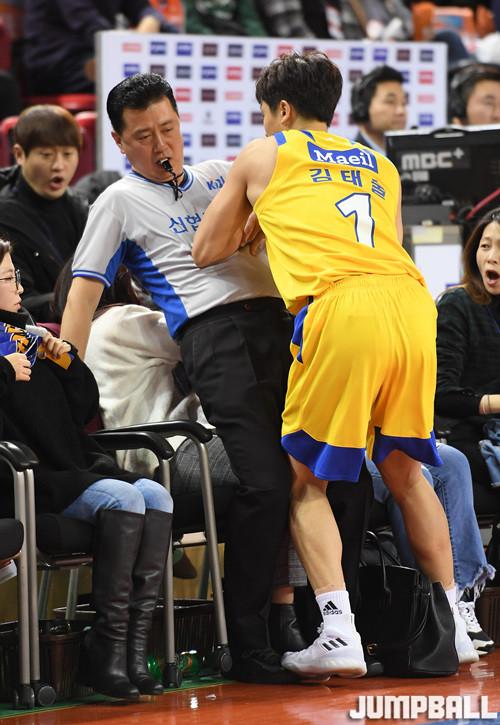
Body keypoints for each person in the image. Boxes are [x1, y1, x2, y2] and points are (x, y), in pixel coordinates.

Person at [60, 71, 374, 683]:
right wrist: (66, 376)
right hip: (216, 338)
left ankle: (339, 629)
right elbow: (83, 291)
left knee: (342, 472)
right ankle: (248, 645)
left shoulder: (218, 174)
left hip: (286, 327)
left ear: (182, 122)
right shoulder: (116, 202)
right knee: (264, 484)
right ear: (119, 143)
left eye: (168, 128)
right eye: (144, 136)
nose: (161, 145)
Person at [192, 50, 479, 677]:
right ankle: (454, 624)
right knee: (406, 472)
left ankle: (338, 632)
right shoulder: (380, 163)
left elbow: (205, 248)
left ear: (282, 109)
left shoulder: (264, 154)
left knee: (304, 481)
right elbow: (384, 239)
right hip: (411, 305)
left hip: (342, 308)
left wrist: (256, 220)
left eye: (265, 113)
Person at [0, 238, 173, 701]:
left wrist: (67, 362)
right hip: (23, 478)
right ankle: (105, 650)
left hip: (70, 466)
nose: (20, 288)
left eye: (17, 277)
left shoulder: (27, 334)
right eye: (9, 279)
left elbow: (80, 411)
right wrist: (4, 372)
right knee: (125, 496)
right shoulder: (5, 352)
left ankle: (130, 651)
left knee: (157, 494)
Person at [367, 443, 496, 655]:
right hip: (341, 445)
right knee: (413, 476)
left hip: (378, 436)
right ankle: (429, 610)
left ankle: (457, 601)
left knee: (453, 461)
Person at [0, 105, 88, 321]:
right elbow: (19, 302)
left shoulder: (79, 207)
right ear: (19, 155)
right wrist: (83, 299)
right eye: (46, 155)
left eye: (68, 154)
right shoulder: (5, 215)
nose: (59, 165)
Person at [436, 208, 500, 500]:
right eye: (485, 246)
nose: (492, 257)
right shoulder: (456, 305)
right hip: (471, 439)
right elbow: (441, 395)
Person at [22, 0, 177, 95]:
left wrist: (151, 19)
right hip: (55, 63)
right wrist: (131, 43)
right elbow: (89, 24)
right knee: (136, 82)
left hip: (96, 54)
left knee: (165, 74)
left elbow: (142, 8)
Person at [350, 65, 407, 155]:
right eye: (390, 102)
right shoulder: (351, 158)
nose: (401, 111)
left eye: (403, 103)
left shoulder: (408, 155)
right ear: (362, 108)